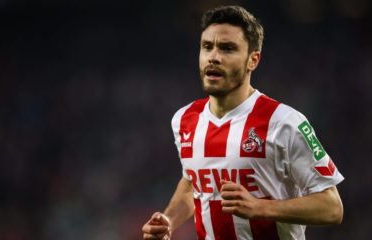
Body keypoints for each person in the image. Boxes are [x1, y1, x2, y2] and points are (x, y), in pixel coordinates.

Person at [142, 5, 344, 240]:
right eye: (207, 47)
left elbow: (332, 207)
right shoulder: (184, 119)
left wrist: (259, 208)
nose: (213, 57)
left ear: (253, 60)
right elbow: (193, 182)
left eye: (227, 48)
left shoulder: (285, 122)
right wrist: (169, 220)